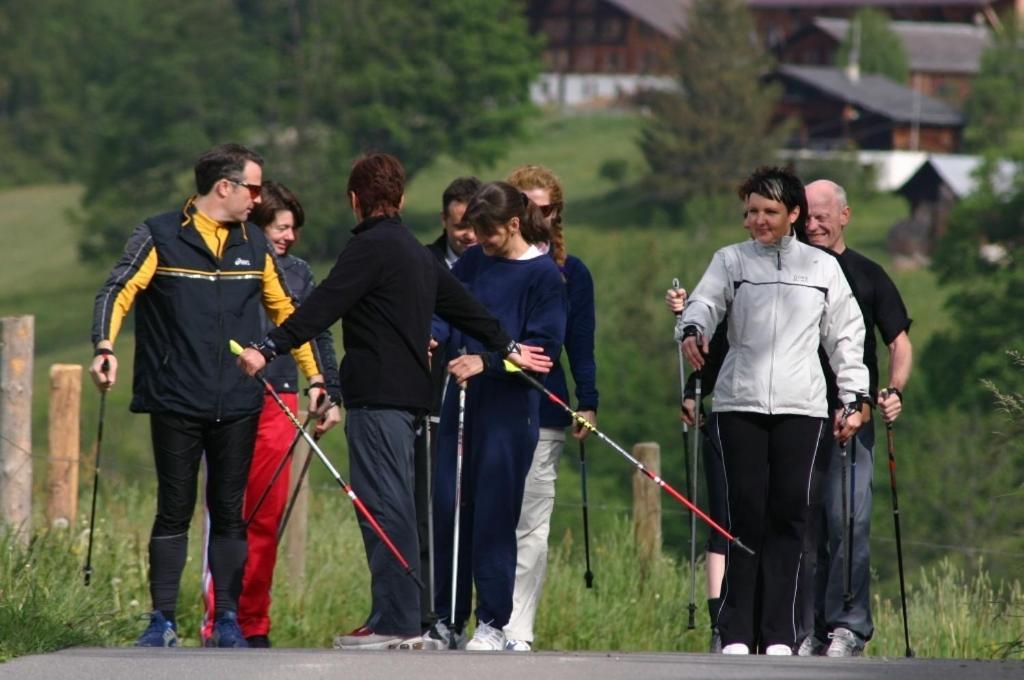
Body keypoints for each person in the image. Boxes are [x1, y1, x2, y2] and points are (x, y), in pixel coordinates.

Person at [235, 154, 553, 651]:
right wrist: (507, 345)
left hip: (378, 397)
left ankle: (396, 619)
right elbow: (463, 306)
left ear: (355, 201)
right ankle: (404, 613)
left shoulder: (369, 248)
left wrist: (268, 347)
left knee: (383, 506)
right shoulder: (412, 249)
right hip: (411, 398)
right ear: (401, 201)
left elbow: (322, 306)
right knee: (397, 504)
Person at [89, 144, 328, 648]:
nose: (258, 199)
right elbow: (118, 289)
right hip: (175, 397)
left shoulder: (254, 244)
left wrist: (318, 380)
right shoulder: (158, 234)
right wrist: (104, 345)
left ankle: (227, 622)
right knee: (173, 508)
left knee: (229, 511)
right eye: (254, 188)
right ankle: (162, 621)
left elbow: (289, 316)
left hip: (237, 400)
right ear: (225, 187)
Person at [679, 166, 869, 656]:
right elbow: (703, 302)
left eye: (769, 212)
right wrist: (692, 330)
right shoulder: (730, 261)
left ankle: (782, 633)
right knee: (743, 516)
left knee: (789, 518)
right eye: (751, 213)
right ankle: (736, 630)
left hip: (802, 410)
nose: (758, 222)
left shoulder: (822, 269)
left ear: (793, 214)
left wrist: (854, 397)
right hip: (738, 404)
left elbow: (846, 337)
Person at [200, 181, 342, 647]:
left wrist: (326, 387)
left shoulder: (300, 273)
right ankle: (218, 619)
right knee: (227, 513)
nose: (290, 237)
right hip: (229, 400)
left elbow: (318, 334)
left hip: (280, 399)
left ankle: (254, 623)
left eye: (294, 229)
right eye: (282, 227)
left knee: (265, 516)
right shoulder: (229, 265)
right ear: (258, 228)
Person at [431, 181, 567, 651]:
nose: (480, 242)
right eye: (474, 232)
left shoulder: (544, 276)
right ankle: (447, 618)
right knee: (449, 506)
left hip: (509, 410)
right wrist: (434, 334)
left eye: (488, 233)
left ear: (513, 224)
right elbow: (451, 309)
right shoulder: (474, 261)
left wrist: (486, 362)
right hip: (462, 399)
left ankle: (492, 621)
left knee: (493, 512)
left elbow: (540, 353)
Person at [798, 179, 912, 658]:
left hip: (852, 417)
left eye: (823, 214)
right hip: (797, 414)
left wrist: (892, 391)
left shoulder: (868, 274)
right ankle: (807, 626)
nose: (814, 224)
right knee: (804, 526)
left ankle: (849, 625)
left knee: (849, 520)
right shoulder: (791, 270)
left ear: (845, 215)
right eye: (806, 215)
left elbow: (899, 344)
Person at [503, 165, 598, 652]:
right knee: (490, 516)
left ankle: (518, 627)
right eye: (523, 204)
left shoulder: (570, 271)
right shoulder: (489, 262)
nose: (532, 215)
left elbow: (580, 342)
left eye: (542, 208)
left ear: (555, 212)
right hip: (493, 405)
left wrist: (589, 400)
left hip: (545, 407)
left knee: (531, 521)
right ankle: (486, 619)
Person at [415, 176, 482, 638]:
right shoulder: (424, 260)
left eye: (474, 224)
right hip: (432, 401)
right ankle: (431, 612)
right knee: (432, 510)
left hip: (481, 398)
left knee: (472, 513)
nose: (467, 234)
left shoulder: (492, 263)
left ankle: (468, 615)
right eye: (458, 225)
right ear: (445, 221)